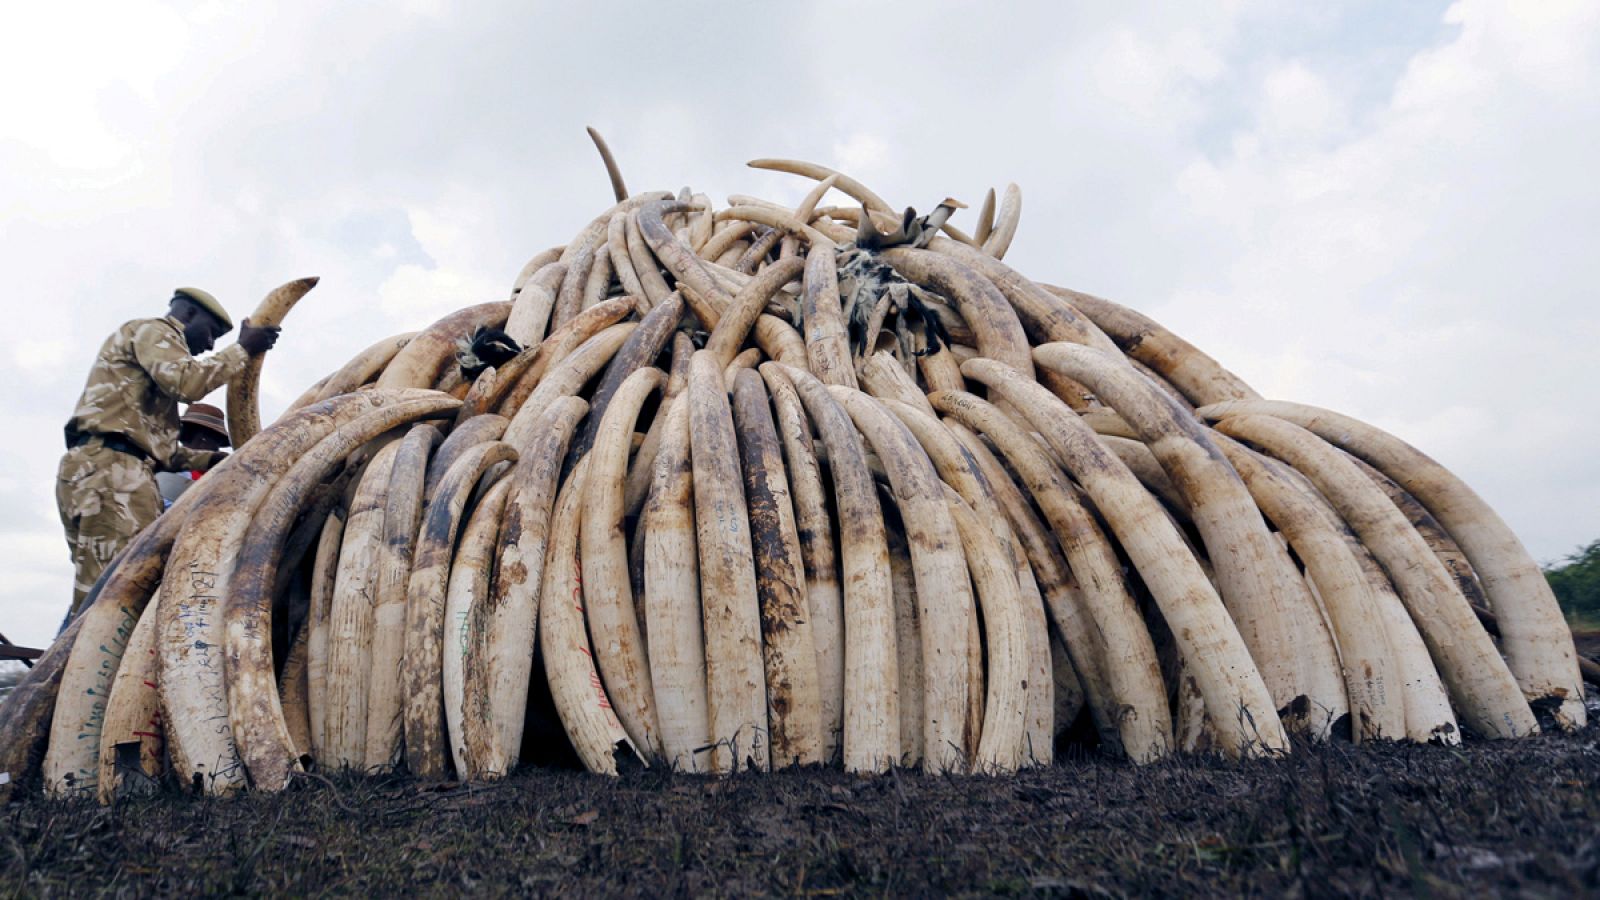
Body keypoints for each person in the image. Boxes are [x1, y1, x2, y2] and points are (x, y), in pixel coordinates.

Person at [56, 288, 280, 620]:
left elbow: (167, 454)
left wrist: (224, 461)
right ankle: (79, 669)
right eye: (210, 333)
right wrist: (242, 349)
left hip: (108, 471)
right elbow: (188, 384)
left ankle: (76, 666)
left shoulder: (143, 394)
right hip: (111, 474)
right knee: (118, 589)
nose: (209, 345)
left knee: (104, 584)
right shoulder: (154, 332)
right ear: (188, 315)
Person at [155, 403, 231, 508]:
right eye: (216, 441)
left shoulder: (223, 480)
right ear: (202, 440)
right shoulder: (168, 476)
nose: (217, 450)